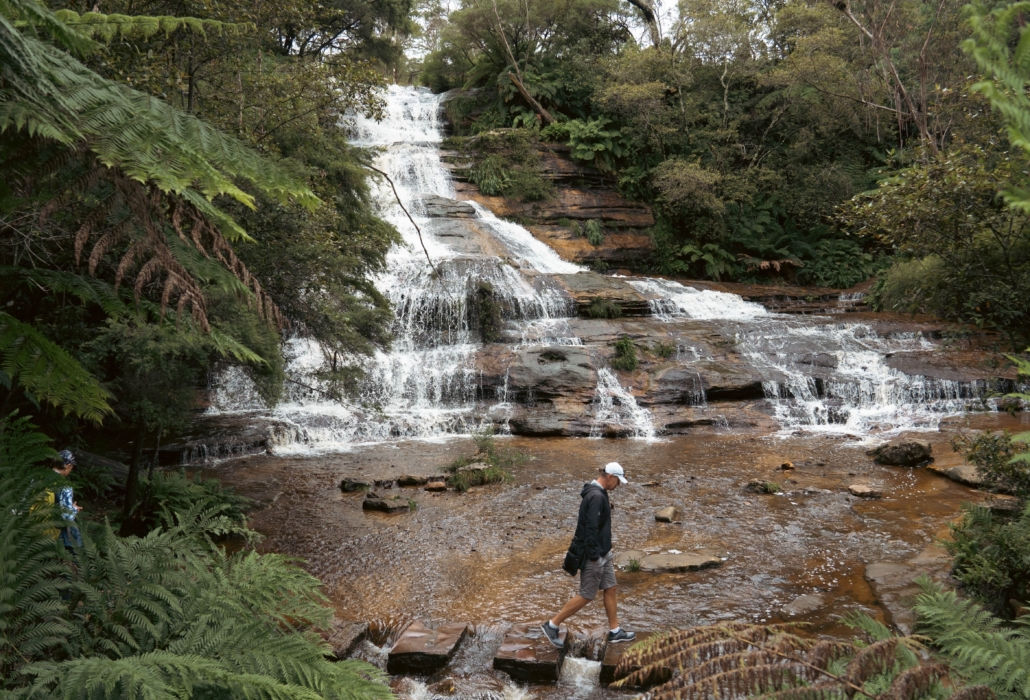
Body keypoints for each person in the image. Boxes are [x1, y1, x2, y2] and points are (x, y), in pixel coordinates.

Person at [541, 461, 635, 647]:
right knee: (587, 594)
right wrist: (594, 556)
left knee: (611, 587)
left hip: (603, 552)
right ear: (610, 477)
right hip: (595, 555)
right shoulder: (596, 497)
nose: (618, 486)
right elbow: (590, 529)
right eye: (617, 481)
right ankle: (552, 624)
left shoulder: (599, 493)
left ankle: (615, 631)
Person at [53, 449, 83, 549]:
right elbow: (66, 516)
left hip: (34, 524)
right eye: (72, 467)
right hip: (53, 529)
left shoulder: (37, 477)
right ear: (68, 466)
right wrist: (74, 508)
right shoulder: (65, 486)